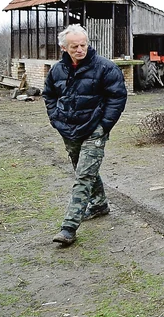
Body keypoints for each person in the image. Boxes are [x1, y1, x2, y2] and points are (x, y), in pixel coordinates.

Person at [43, 24, 127, 246]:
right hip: (69, 130)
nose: (80, 49)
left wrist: (103, 126)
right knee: (84, 169)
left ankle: (69, 227)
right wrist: (56, 118)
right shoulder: (57, 70)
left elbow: (117, 97)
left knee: (83, 176)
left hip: (94, 129)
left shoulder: (105, 68)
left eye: (83, 45)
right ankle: (99, 205)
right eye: (74, 46)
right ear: (64, 47)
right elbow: (49, 94)